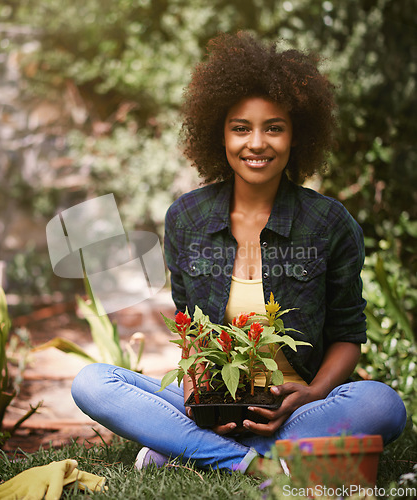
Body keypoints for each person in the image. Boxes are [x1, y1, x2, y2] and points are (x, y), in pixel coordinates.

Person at [71, 32, 406, 474]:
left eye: (274, 127)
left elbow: (348, 332)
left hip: (295, 406)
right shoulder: (186, 218)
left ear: (296, 136)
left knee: (383, 404)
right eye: (241, 128)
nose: (257, 143)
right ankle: (248, 462)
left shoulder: (328, 223)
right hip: (215, 404)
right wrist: (194, 393)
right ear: (220, 134)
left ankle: (183, 449)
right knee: (92, 383)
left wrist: (311, 392)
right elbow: (191, 327)